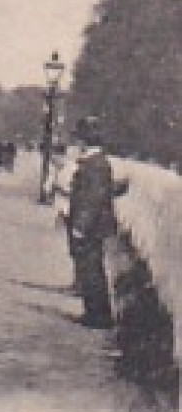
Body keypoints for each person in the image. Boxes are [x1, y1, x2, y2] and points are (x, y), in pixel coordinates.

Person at [66, 117, 122, 330]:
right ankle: (94, 312)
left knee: (91, 270)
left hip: (91, 227)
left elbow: (92, 198)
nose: (76, 144)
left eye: (79, 139)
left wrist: (81, 225)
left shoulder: (95, 165)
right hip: (94, 225)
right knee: (89, 268)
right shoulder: (95, 162)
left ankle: (98, 316)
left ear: (85, 140)